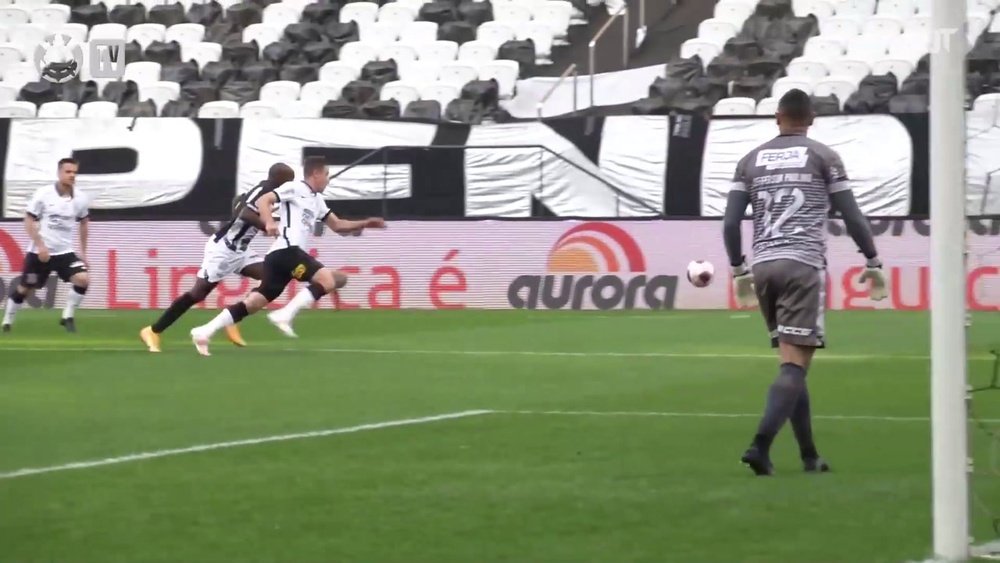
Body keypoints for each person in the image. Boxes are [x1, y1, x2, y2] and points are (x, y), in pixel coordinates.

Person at [721, 89, 888, 476]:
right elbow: (851, 214)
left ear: (777, 118)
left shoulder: (749, 160)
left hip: (763, 265)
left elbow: (730, 223)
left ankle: (809, 456)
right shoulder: (824, 156)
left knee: (792, 362)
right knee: (795, 366)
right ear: (811, 118)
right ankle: (759, 446)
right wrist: (872, 259)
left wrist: (738, 270)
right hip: (802, 264)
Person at [189, 156, 385, 356]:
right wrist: (269, 222)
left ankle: (204, 331)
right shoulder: (295, 188)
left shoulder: (317, 201)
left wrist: (366, 222)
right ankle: (285, 315)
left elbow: (338, 225)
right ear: (315, 174)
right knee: (328, 279)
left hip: (280, 257)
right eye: (326, 174)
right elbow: (264, 200)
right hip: (286, 250)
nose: (328, 179)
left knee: (254, 303)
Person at [139, 163, 295, 352]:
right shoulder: (263, 190)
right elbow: (242, 212)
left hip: (241, 251)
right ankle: (153, 330)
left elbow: (241, 203)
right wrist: (265, 225)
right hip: (223, 250)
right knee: (198, 294)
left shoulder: (272, 195)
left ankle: (232, 318)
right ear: (278, 179)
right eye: (288, 181)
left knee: (272, 276)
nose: (290, 186)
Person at [3, 158, 90, 333]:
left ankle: (67, 317)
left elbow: (84, 222)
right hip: (39, 254)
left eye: (74, 172)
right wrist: (40, 246)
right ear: (59, 173)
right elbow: (28, 220)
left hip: (65, 253)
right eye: (68, 172)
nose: (72, 175)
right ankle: (7, 321)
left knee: (83, 279)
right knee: (25, 288)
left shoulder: (81, 198)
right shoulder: (44, 194)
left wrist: (83, 252)